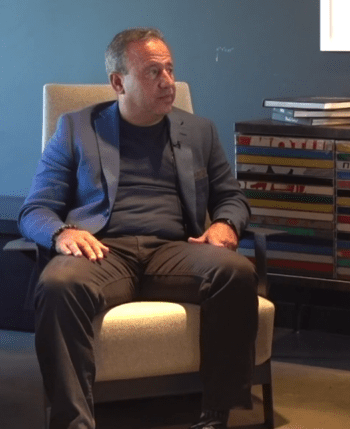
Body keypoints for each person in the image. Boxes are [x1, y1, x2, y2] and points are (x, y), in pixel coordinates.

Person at [19, 28, 257, 429]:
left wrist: (225, 224)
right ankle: (74, 423)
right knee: (59, 284)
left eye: (170, 70)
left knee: (235, 271)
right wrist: (62, 234)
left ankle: (217, 415)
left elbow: (231, 196)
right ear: (118, 82)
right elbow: (35, 209)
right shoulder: (76, 128)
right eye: (152, 72)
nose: (168, 82)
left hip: (174, 251)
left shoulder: (199, 130)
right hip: (102, 251)